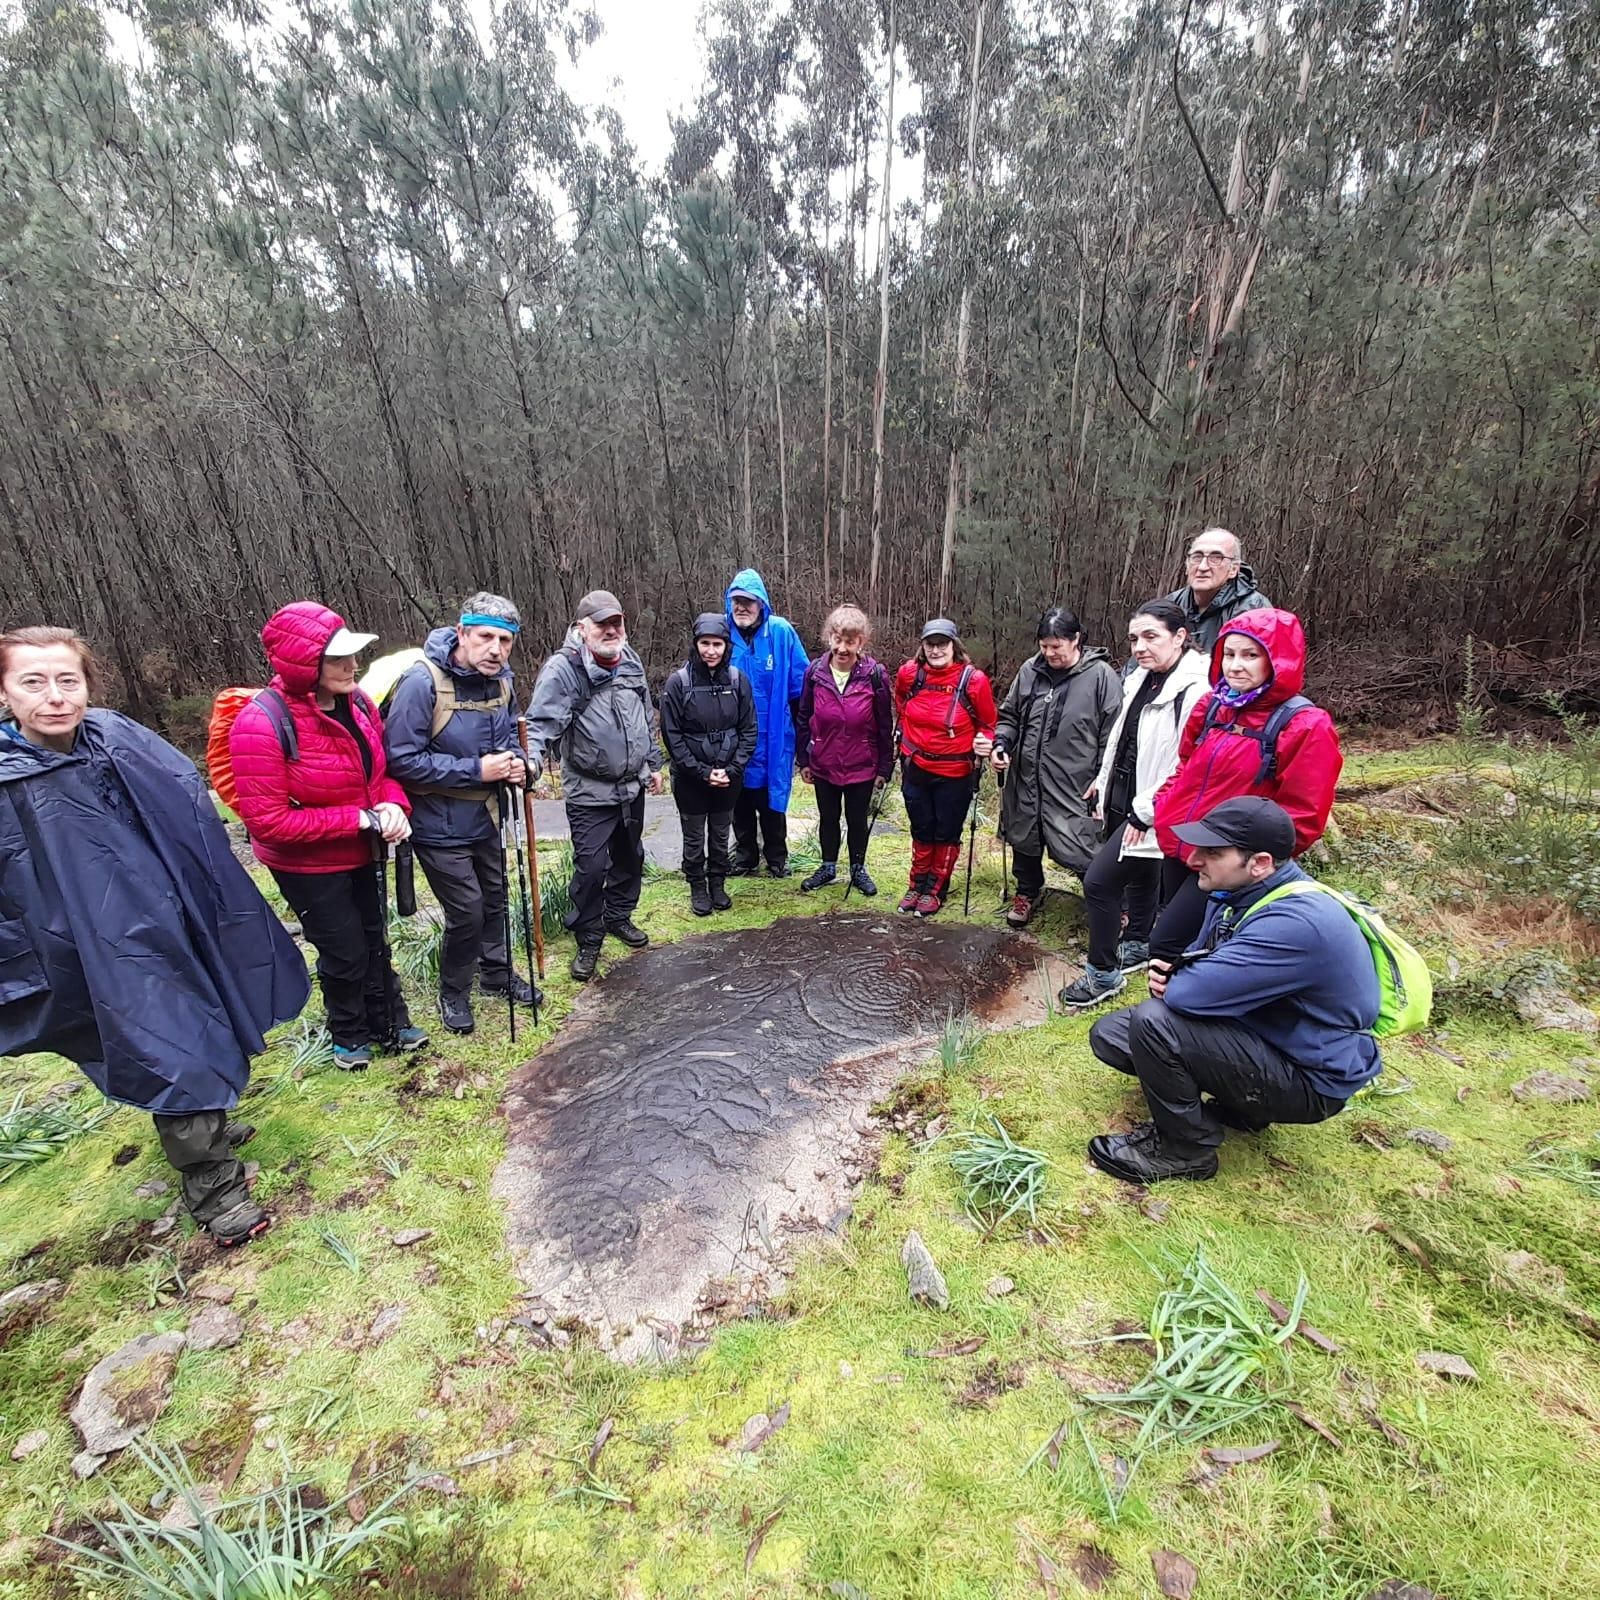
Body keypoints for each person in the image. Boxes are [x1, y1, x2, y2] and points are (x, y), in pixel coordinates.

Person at [0, 627, 310, 1247]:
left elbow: (191, 809)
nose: (55, 696)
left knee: (208, 1019)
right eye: (33, 682)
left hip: (178, 915)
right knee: (170, 1047)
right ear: (5, 692)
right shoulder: (10, 783)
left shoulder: (118, 739)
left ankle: (209, 1120)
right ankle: (215, 1189)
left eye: (68, 680)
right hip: (97, 945)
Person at [1085, 797, 1379, 1183]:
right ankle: (1243, 1107)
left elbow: (1185, 995)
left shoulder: (1297, 923)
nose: (1193, 860)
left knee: (1155, 1025)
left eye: (1212, 852)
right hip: (1273, 1039)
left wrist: (1177, 981)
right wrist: (1182, 977)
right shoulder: (1237, 895)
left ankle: (1185, 1150)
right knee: (1112, 1035)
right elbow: (1198, 965)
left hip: (1312, 1077)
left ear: (1259, 863)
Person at [231, 601, 428, 1069]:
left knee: (376, 938)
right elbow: (268, 822)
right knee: (343, 950)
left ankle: (390, 1022)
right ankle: (349, 1034)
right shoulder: (260, 723)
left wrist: (393, 805)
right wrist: (359, 819)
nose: (351, 666)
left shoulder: (357, 704)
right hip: (308, 866)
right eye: (337, 658)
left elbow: (379, 775)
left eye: (351, 656)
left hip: (365, 850)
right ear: (304, 663)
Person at [383, 594, 542, 1035]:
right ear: (462, 635)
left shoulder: (502, 684)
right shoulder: (422, 683)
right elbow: (399, 760)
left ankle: (495, 972)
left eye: (505, 640)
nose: (496, 649)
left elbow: (510, 734)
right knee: (467, 910)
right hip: (436, 824)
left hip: (488, 817)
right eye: (486, 637)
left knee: (495, 899)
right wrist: (478, 770)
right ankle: (453, 990)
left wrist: (518, 764)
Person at [1148, 606, 1342, 968]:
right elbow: (1186, 767)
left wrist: (1248, 864)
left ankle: (1177, 1014)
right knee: (1192, 946)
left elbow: (1301, 816)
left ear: (1278, 661)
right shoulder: (1213, 707)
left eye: (1251, 655)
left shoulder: (1304, 726)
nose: (1236, 665)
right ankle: (1182, 1011)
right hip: (1181, 843)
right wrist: (1164, 806)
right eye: (1230, 654)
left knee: (1167, 943)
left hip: (1232, 862)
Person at [1058, 602, 1210, 1009]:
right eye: (1134, 638)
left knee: (1099, 882)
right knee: (1144, 873)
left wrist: (1149, 808)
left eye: (1150, 637)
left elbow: (1187, 762)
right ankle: (1138, 943)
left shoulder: (1195, 690)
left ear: (1179, 637)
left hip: (1158, 807)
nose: (1140, 646)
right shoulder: (1141, 678)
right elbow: (1125, 739)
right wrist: (1104, 782)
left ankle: (1102, 973)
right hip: (1128, 795)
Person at [524, 589, 664, 982]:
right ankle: (589, 935)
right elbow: (539, 725)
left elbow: (644, 710)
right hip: (590, 790)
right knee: (590, 867)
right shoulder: (563, 670)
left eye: (616, 621)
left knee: (629, 856)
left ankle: (619, 916)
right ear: (581, 628)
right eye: (601, 623)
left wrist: (653, 761)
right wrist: (531, 760)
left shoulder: (630, 658)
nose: (611, 629)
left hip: (632, 784)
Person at [991, 607, 1122, 928]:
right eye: (1044, 646)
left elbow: (1114, 735)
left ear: (1076, 640)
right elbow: (1010, 717)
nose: (1049, 653)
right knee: (1025, 837)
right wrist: (1001, 745)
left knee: (1084, 847)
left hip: (1076, 782)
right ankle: (1028, 891)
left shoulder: (1101, 677)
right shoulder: (1029, 671)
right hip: (1026, 777)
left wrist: (1103, 780)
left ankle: (1106, 903)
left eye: (1057, 646)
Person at [893, 619, 998, 916]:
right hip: (915, 765)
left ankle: (936, 889)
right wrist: (906, 730)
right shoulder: (909, 674)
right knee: (921, 827)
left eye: (942, 643)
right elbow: (900, 701)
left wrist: (984, 741)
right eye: (930, 644)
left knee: (945, 832)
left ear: (954, 646)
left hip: (955, 772)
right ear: (922, 646)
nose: (936, 649)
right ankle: (916, 886)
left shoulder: (973, 680)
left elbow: (989, 723)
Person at [660, 613, 758, 916]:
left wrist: (732, 769)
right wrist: (702, 772)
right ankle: (697, 886)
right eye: (705, 643)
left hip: (728, 776)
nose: (711, 651)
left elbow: (749, 729)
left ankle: (718, 883)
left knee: (720, 833)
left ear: (726, 646)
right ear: (696, 644)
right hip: (691, 778)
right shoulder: (678, 683)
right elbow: (671, 735)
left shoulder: (737, 680)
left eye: (717, 644)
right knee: (694, 836)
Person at [796, 605, 895, 896]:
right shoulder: (814, 673)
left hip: (861, 764)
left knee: (856, 820)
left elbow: (883, 726)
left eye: (850, 642)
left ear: (861, 642)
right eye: (837, 639)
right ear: (829, 637)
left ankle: (858, 869)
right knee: (828, 818)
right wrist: (804, 760)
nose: (842, 648)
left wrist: (884, 768)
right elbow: (803, 718)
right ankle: (827, 867)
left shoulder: (875, 676)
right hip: (823, 763)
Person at [724, 569, 808, 877]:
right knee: (739, 799)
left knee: (772, 799)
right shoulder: (721, 636)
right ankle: (745, 856)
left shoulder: (781, 633)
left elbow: (802, 685)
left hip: (773, 736)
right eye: (737, 601)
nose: (742, 608)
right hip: (732, 739)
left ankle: (777, 857)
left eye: (749, 601)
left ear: (761, 603)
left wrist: (804, 738)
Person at [1165, 527, 1272, 655]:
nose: (1202, 567)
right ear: (1187, 566)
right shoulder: (1170, 605)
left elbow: (1259, 668)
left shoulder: (1254, 610)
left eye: (1216, 558)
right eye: (1197, 557)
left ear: (1233, 569)